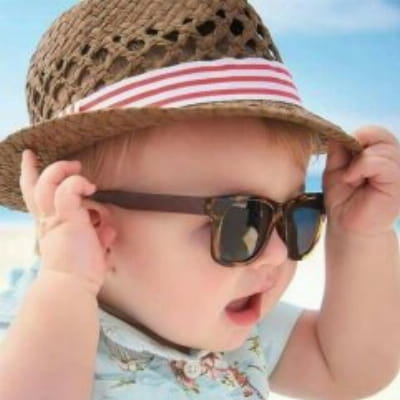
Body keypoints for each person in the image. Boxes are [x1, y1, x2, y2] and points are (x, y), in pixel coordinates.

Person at [0, 0, 399, 399]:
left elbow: (344, 370)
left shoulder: (231, 327)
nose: (279, 254)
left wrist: (362, 236)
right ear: (94, 229)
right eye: (243, 221)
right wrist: (66, 284)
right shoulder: (31, 343)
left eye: (298, 216)